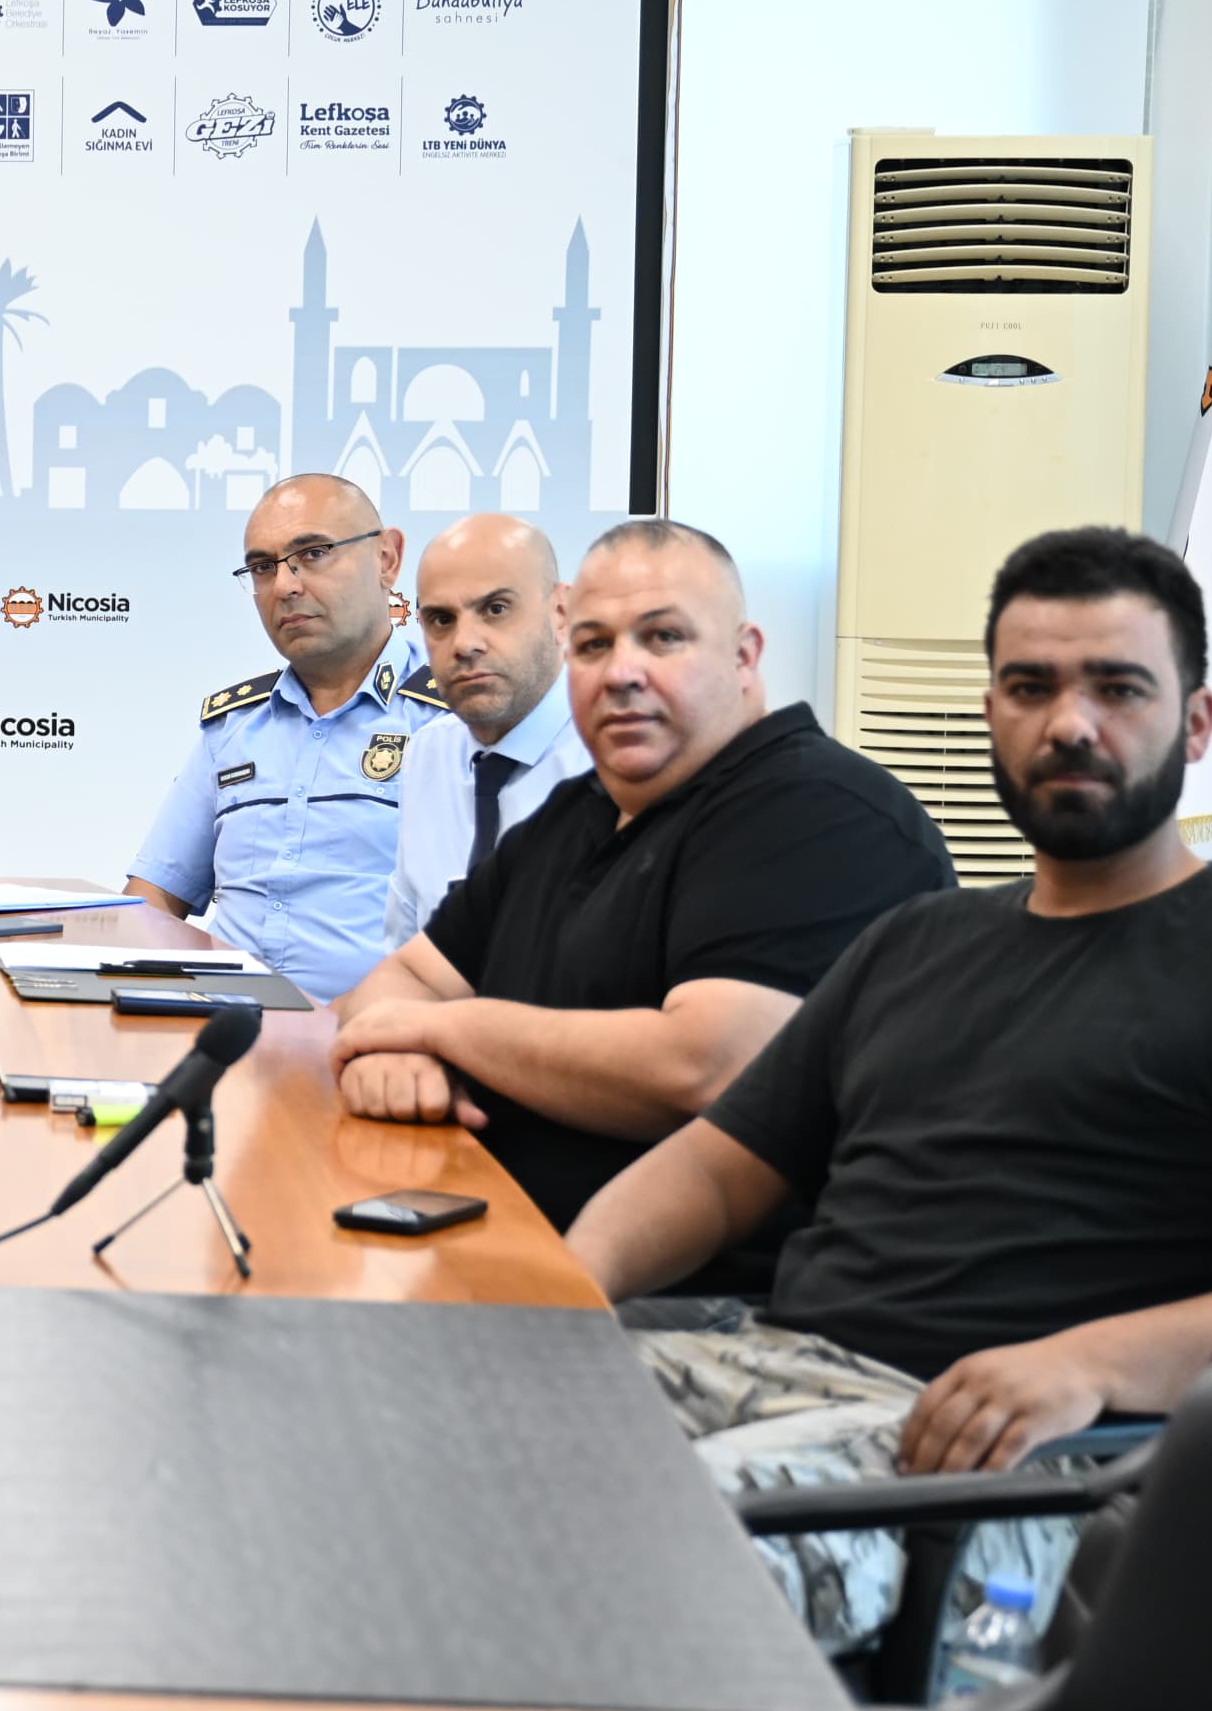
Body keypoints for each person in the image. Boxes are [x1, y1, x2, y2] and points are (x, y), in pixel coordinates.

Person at [567, 529, 1212, 1647]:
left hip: (1013, 1459)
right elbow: (716, 1169)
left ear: (1197, 722)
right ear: (991, 713)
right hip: (779, 1367)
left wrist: (1088, 1363)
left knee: (613, 1555)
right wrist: (573, 1281)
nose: (1069, 724)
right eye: (1030, 688)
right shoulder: (917, 941)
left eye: (1118, 689)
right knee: (441, 1421)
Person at [330, 520, 953, 1253]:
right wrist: (395, 1055)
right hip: (493, 1235)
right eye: (594, 645)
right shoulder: (577, 815)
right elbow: (403, 977)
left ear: (744, 657)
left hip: (721, 1294)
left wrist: (437, 1031)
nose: (622, 673)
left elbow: (700, 1067)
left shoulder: (823, 812)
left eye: (663, 638)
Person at [122, 473, 441, 999]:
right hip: (222, 1026)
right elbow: (153, 897)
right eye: (262, 567)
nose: (285, 586)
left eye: (313, 554)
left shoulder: (450, 722)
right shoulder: (234, 726)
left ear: (386, 559)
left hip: (376, 1036)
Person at [381, 513, 589, 949]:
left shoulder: (614, 755)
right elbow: (405, 950)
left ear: (561, 613)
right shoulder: (428, 754)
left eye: (496, 609)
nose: (464, 643)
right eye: (441, 619)